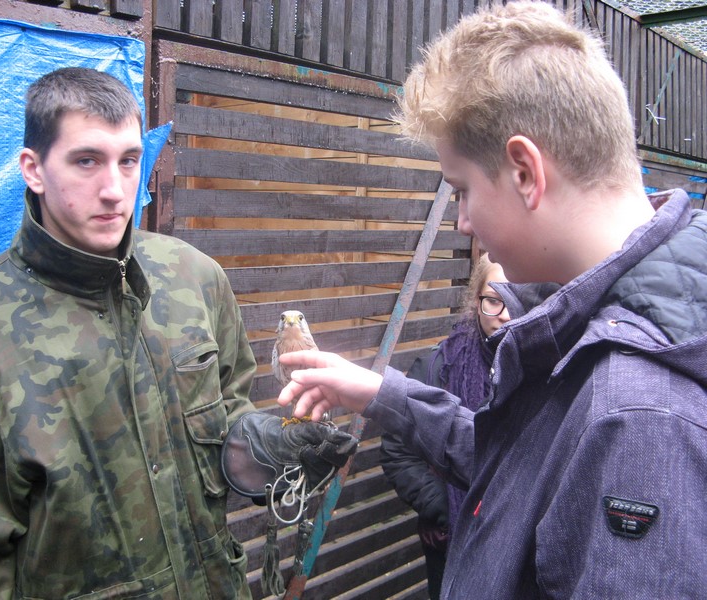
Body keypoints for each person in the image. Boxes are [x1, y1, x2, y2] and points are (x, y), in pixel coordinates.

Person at [276, 2, 707, 598]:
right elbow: (521, 472)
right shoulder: (599, 326)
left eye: (462, 190)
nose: (462, 222)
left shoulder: (637, 416)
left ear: (525, 171)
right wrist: (381, 393)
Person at [0, 67, 356, 599]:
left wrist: (272, 445)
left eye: (129, 160)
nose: (114, 190)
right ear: (33, 169)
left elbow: (226, 419)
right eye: (86, 161)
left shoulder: (193, 276)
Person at [379, 254, 510, 599]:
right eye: (493, 300)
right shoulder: (438, 367)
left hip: (514, 550)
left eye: (515, 300)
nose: (505, 315)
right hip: (447, 541)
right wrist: (446, 508)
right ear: (476, 300)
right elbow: (398, 453)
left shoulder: (546, 369)